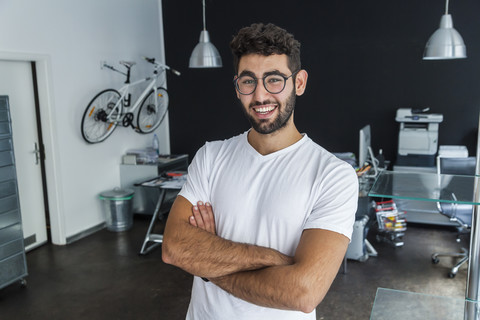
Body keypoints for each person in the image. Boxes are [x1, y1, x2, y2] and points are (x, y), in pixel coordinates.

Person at [162, 22, 358, 320]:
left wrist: (206, 265)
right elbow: (174, 248)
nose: (260, 96)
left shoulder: (333, 176)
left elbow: (303, 293)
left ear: (300, 83)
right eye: (248, 81)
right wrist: (271, 259)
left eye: (275, 80)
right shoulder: (211, 157)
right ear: (237, 86)